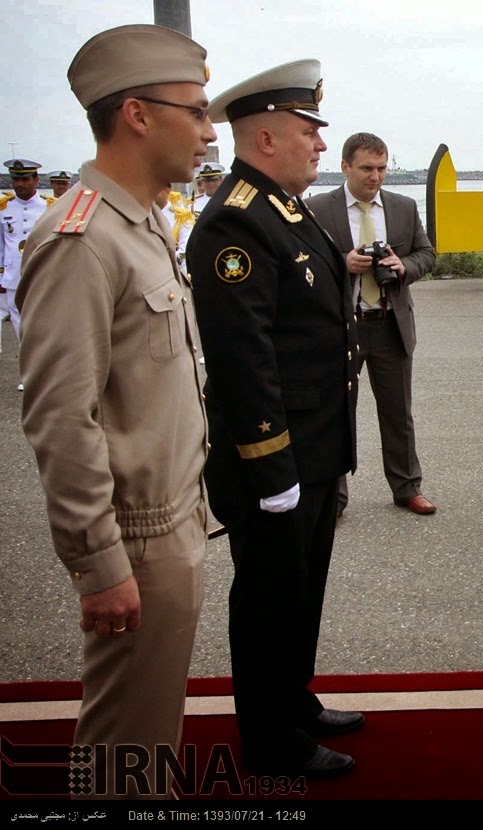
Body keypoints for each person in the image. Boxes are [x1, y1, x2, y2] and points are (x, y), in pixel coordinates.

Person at [15, 24, 213, 799]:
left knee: (150, 732)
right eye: (194, 112)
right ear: (137, 113)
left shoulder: (144, 222)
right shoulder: (81, 238)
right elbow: (61, 417)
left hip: (173, 520)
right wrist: (98, 564)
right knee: (124, 749)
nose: (206, 132)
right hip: (134, 540)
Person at [188, 59, 362, 779]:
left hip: (313, 448)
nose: (321, 145)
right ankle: (269, 742)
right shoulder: (236, 221)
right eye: (308, 131)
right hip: (277, 458)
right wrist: (272, 470)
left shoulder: (284, 210)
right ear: (264, 138)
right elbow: (244, 358)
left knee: (302, 589)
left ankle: (293, 700)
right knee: (267, 601)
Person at [306, 132, 438, 518]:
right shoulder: (316, 209)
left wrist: (403, 268)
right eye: (366, 168)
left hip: (389, 325)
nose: (375, 177)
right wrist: (342, 265)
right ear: (345, 167)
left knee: (399, 414)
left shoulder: (401, 207)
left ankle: (407, 487)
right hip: (340, 327)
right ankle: (334, 498)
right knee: (335, 414)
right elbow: (302, 265)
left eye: (381, 168)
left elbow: (426, 254)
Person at [1, 159, 53, 348]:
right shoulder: (4, 208)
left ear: (36, 180)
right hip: (13, 275)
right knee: (19, 326)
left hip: (41, 274)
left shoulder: (49, 207)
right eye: (16, 179)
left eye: (25, 179)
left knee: (44, 324)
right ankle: (27, 374)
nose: (19, 184)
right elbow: (1, 244)